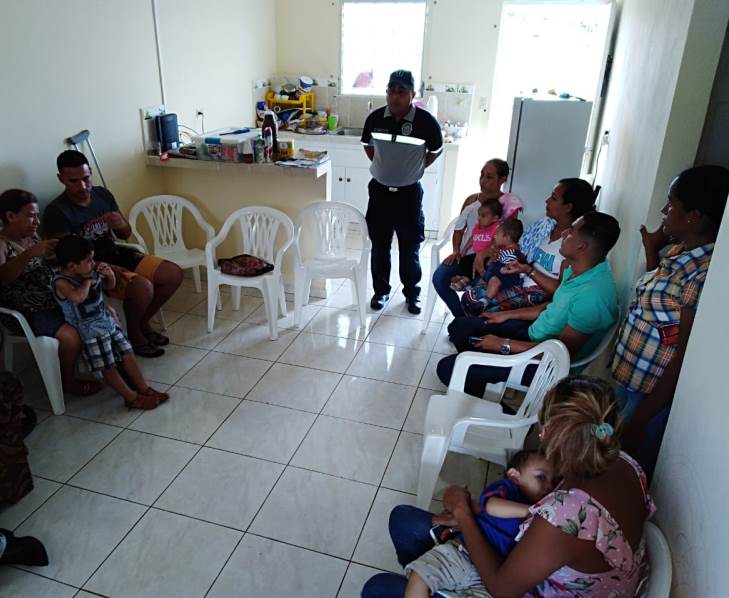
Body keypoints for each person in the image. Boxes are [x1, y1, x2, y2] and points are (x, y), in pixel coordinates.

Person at [362, 376, 656, 598]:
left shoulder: (568, 515)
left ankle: (430, 582)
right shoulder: (623, 462)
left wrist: (464, 515)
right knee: (403, 519)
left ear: (545, 432)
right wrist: (473, 512)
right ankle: (431, 579)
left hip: (512, 584)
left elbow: (502, 588)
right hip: (540, 567)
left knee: (378, 588)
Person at [612, 164, 729, 479]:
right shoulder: (679, 251)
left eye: (671, 203)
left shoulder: (702, 275)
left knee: (627, 470)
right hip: (629, 377)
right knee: (610, 456)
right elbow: (658, 302)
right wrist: (653, 249)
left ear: (694, 217)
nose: (664, 210)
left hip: (649, 396)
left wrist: (641, 419)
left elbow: (684, 356)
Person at [437, 211, 620, 397]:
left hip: (543, 364)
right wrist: (505, 315)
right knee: (460, 327)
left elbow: (559, 354)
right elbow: (553, 305)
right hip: (534, 333)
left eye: (571, 231)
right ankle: (478, 371)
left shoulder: (594, 296)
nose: (564, 233)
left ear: (582, 246)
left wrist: (503, 344)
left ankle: (496, 399)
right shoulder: (580, 269)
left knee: (447, 368)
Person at [42, 150, 183, 358]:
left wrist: (120, 223)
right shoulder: (57, 211)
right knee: (142, 287)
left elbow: (125, 234)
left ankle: (141, 322)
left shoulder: (102, 195)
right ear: (61, 178)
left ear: (91, 172)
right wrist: (99, 267)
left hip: (115, 251)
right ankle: (135, 335)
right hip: (88, 266)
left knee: (173, 274)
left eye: (86, 178)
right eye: (73, 181)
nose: (82, 186)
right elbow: (67, 260)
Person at [404, 451, 555, 598]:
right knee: (418, 577)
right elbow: (491, 506)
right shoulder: (507, 489)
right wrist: (532, 511)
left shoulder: (543, 518)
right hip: (460, 553)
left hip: (489, 577)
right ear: (514, 476)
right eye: (541, 477)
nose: (549, 486)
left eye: (553, 482)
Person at [0, 189, 99, 396]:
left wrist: (56, 253)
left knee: (99, 314)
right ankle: (68, 382)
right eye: (31, 216)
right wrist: (30, 254)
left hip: (52, 297)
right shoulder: (2, 243)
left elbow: (45, 265)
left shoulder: (32, 237)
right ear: (10, 216)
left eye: (37, 216)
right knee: (71, 337)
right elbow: (4, 277)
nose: (37, 222)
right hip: (27, 310)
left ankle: (105, 364)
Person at [52, 235, 169, 410]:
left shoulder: (87, 271)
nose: (93, 263)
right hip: (90, 332)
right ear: (71, 266)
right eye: (88, 260)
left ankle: (144, 388)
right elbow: (77, 298)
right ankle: (131, 398)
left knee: (127, 352)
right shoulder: (61, 282)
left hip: (107, 322)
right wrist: (87, 282)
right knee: (108, 366)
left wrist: (109, 276)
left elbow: (108, 287)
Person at [361, 70, 444, 314]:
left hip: (408, 195)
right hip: (380, 193)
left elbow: (436, 150)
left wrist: (416, 167)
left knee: (410, 248)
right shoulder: (375, 118)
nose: (395, 97)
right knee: (380, 246)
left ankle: (411, 295)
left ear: (412, 94)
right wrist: (385, 166)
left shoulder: (426, 122)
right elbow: (368, 146)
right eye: (391, 91)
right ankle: (381, 292)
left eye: (401, 92)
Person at [432, 159, 523, 317]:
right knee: (439, 279)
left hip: (490, 260)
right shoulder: (471, 200)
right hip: (464, 256)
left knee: (478, 291)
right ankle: (462, 318)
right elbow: (459, 229)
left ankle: (472, 320)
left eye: (489, 177)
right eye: (482, 175)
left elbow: (508, 237)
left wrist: (483, 254)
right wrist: (456, 251)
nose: (483, 181)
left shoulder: (508, 204)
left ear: (502, 179)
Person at [458, 219, 525, 316]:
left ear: (506, 237)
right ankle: (472, 287)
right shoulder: (503, 250)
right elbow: (496, 262)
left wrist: (504, 267)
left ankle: (485, 301)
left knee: (494, 281)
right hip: (496, 273)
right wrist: (493, 260)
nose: (495, 236)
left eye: (497, 234)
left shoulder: (513, 253)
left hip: (506, 277)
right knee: (484, 278)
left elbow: (512, 266)